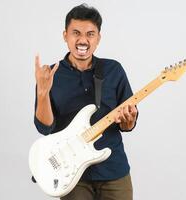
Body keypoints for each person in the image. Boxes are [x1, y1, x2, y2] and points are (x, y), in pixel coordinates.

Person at [34, 4, 138, 200]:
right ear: (65, 35)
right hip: (72, 175)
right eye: (76, 33)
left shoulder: (113, 70)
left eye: (90, 34)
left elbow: (127, 122)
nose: (83, 40)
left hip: (113, 168)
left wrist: (128, 121)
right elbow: (45, 128)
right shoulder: (49, 75)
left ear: (98, 38)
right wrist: (42, 92)